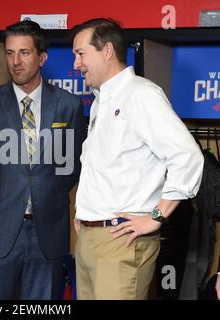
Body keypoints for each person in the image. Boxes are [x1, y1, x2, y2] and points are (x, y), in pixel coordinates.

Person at [72, 18, 204, 300]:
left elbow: (189, 156)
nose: (75, 64)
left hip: (121, 244)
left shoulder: (142, 95)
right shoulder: (99, 103)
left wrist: (157, 216)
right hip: (90, 241)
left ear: (107, 51)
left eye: (81, 54)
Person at [0, 20, 87, 300]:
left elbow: (73, 165)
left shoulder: (68, 105)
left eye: (24, 53)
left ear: (42, 57)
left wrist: (48, 191)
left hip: (48, 232)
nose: (15, 61)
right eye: (10, 53)